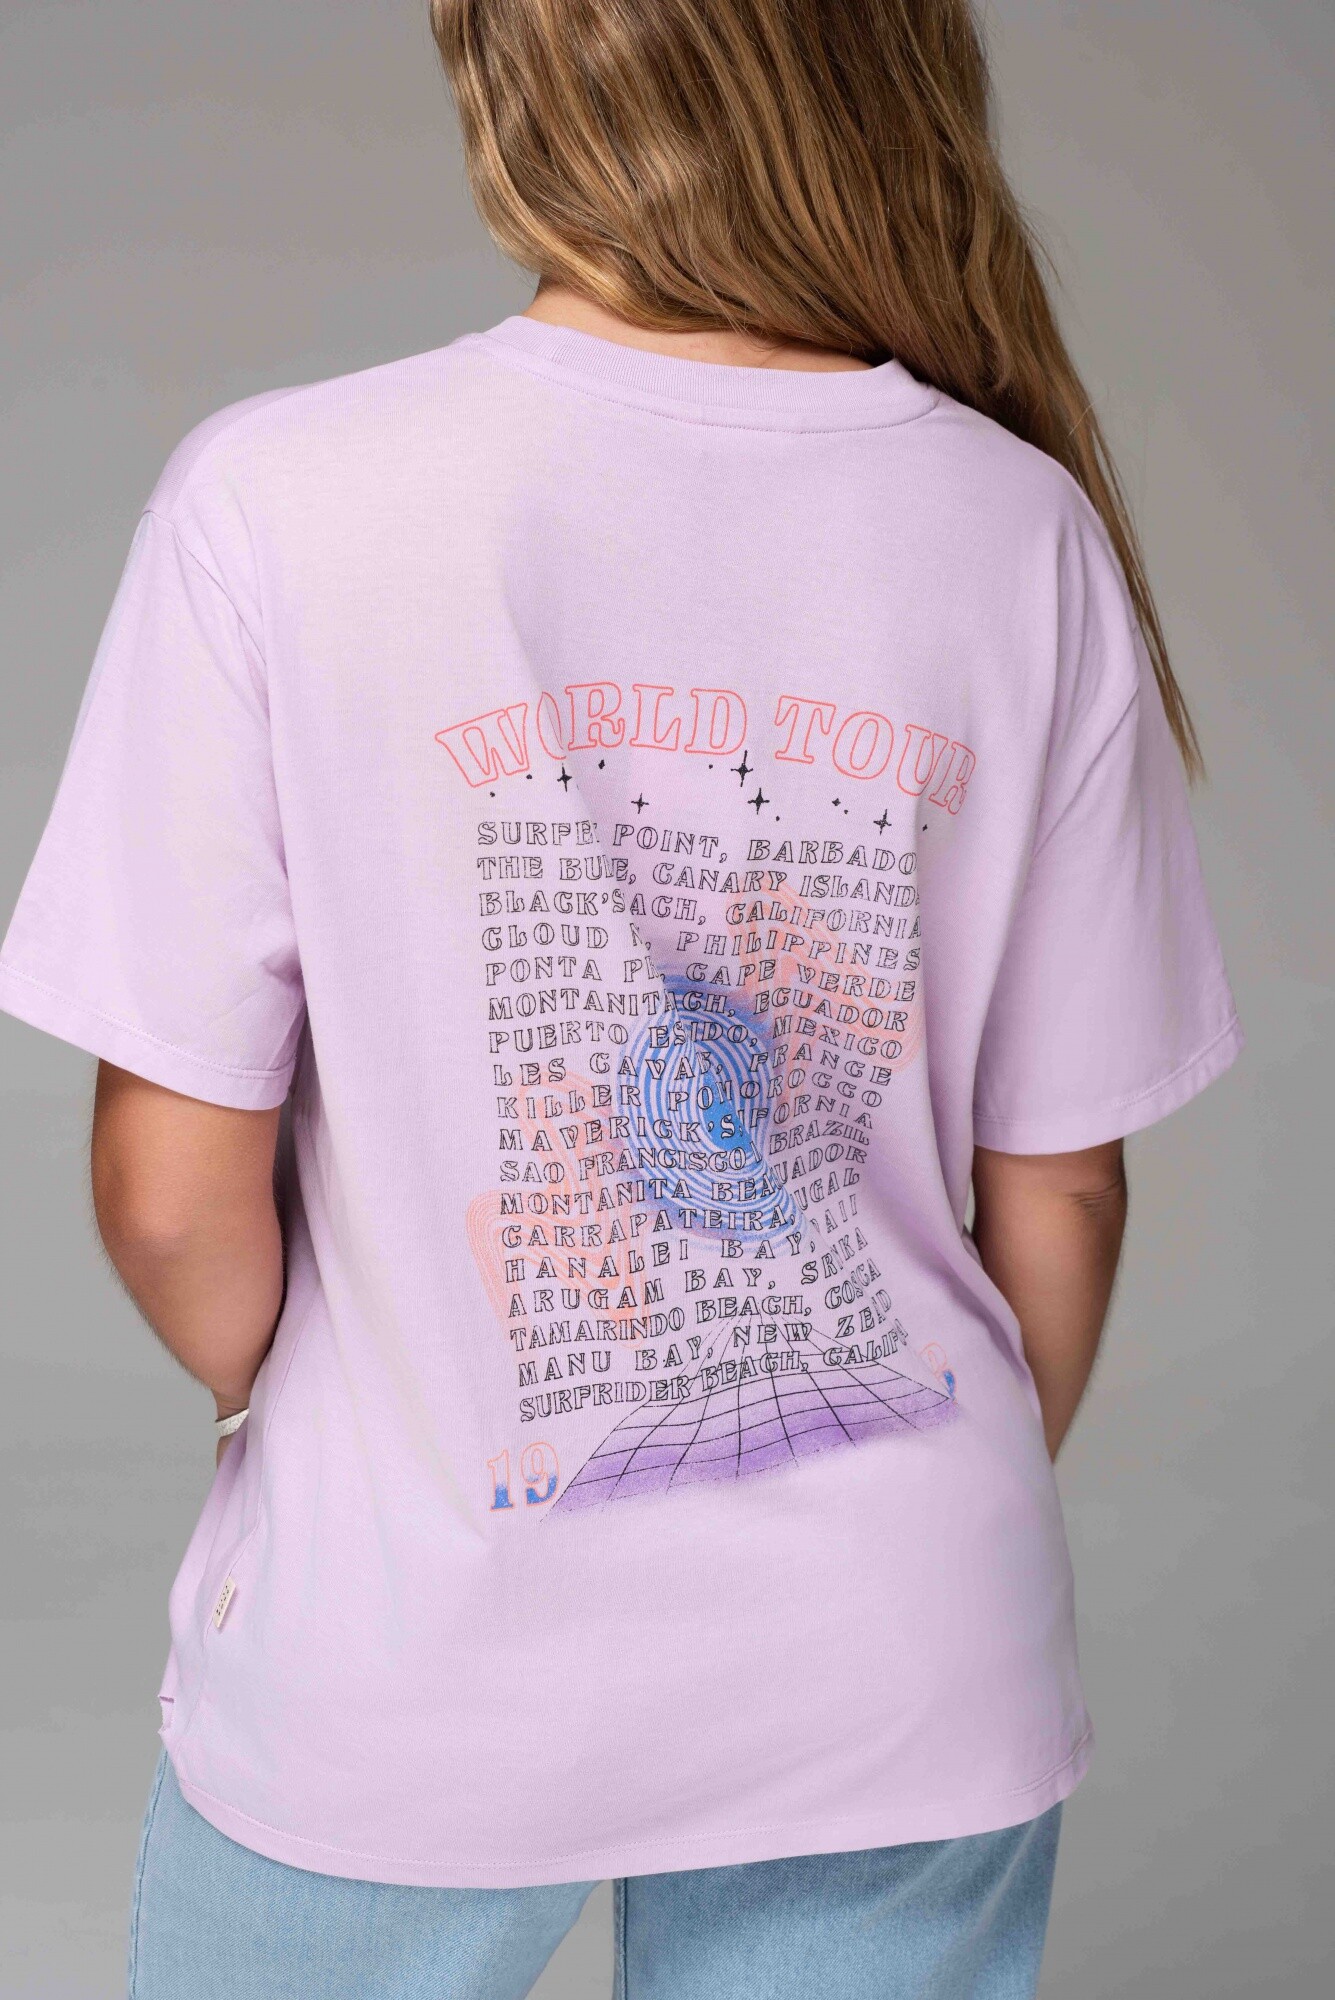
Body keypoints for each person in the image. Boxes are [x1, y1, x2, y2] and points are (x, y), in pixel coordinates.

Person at [0, 3, 1242, 1995]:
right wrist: (928, 1510)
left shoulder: (276, 500)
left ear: (516, 86)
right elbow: (1067, 1192)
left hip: (401, 1650)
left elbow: (169, 1195)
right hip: (898, 1657)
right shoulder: (1024, 530)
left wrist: (291, 1409)